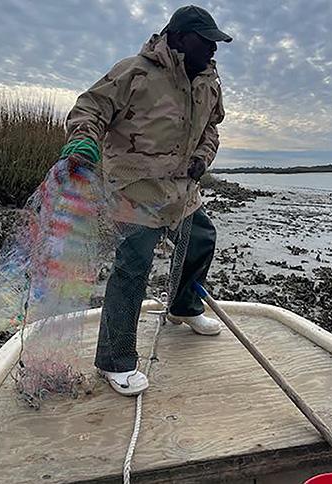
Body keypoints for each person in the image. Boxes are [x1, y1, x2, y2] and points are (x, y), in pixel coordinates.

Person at [61, 5, 232, 396]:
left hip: (182, 191)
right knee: (133, 268)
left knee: (200, 240)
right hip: (134, 191)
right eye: (206, 42)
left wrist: (202, 159)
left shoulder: (208, 81)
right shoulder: (134, 72)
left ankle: (183, 308)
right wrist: (83, 140)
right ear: (180, 38)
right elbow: (89, 108)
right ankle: (114, 361)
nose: (213, 50)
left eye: (215, 43)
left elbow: (212, 129)